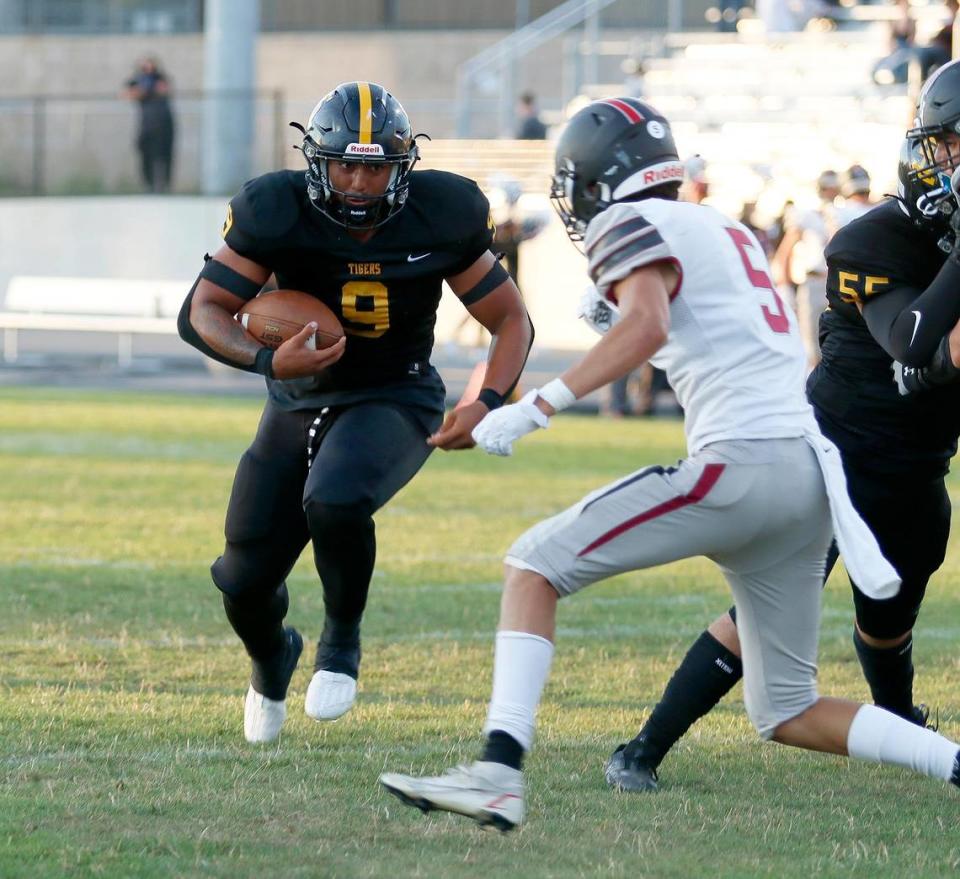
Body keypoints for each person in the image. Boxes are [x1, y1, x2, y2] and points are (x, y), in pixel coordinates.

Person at [378, 96, 960, 830]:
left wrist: (534, 406)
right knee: (786, 707)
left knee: (533, 565)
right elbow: (670, 305)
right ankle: (956, 761)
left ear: (596, 179)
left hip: (744, 465)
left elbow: (649, 322)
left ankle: (497, 771)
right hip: (810, 480)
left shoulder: (629, 222)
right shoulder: (724, 228)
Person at [596, 60, 960, 795]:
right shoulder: (871, 239)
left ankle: (900, 728)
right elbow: (918, 344)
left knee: (889, 620)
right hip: (832, 456)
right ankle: (642, 747)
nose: (954, 161)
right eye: (951, 144)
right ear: (927, 149)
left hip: (918, 464)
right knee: (755, 617)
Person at [177, 81, 533, 743]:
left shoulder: (444, 213)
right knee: (240, 577)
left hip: (394, 394)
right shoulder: (274, 209)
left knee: (336, 498)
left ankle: (341, 641)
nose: (360, 180)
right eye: (346, 163)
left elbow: (509, 319)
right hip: (297, 399)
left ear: (402, 167)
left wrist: (485, 400)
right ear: (318, 160)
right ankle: (270, 657)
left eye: (375, 166)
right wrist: (264, 363)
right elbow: (200, 311)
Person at [771, 169, 841, 370]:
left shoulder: (839, 212)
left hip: (835, 283)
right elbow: (785, 251)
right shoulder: (807, 215)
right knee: (812, 345)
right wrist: (784, 285)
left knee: (835, 341)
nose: (830, 191)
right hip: (813, 281)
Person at [123, 57, 175, 193]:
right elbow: (129, 93)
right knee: (145, 155)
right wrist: (144, 90)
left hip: (163, 123)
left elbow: (164, 90)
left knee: (163, 156)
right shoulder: (137, 80)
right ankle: (149, 185)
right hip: (146, 124)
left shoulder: (160, 77)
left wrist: (146, 90)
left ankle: (163, 186)